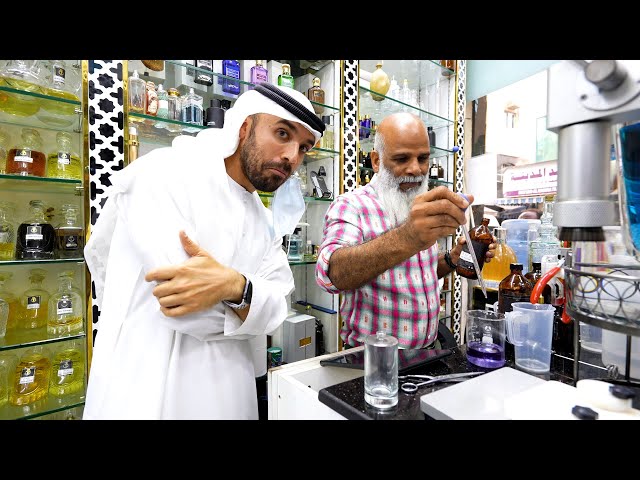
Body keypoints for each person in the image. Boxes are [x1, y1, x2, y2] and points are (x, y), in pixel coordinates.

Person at [82, 83, 325, 419]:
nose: (292, 156)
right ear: (243, 127)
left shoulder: (263, 218)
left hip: (233, 390)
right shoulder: (165, 175)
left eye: (303, 148)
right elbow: (182, 305)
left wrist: (234, 286)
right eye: (282, 134)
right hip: (148, 386)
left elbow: (278, 309)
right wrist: (251, 302)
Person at [315, 112, 495, 349]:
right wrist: (408, 237)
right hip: (374, 361)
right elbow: (330, 275)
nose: (415, 169)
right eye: (401, 159)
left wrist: (451, 259)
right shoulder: (352, 205)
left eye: (423, 158)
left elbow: (419, 273)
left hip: (427, 353)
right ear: (376, 160)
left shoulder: (419, 202)